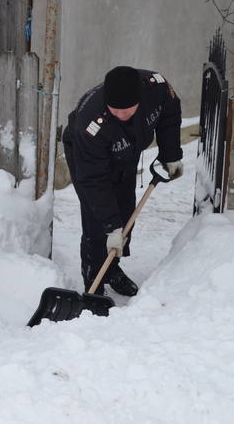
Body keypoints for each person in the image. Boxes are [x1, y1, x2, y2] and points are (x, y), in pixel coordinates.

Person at [62, 66, 182, 296]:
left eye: (127, 109)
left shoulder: (157, 89)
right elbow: (93, 180)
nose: (121, 114)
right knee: (97, 221)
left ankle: (111, 269)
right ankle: (93, 279)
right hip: (89, 160)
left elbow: (169, 117)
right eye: (114, 109)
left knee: (126, 211)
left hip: (126, 153)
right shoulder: (90, 124)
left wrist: (171, 154)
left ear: (140, 99)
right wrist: (110, 226)